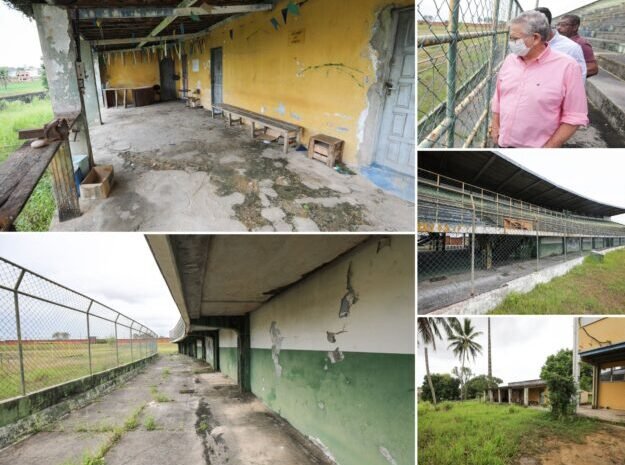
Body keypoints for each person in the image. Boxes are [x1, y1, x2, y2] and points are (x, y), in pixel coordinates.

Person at [490, 11, 588, 148]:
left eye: (514, 39)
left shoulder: (568, 67)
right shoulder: (510, 60)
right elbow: (499, 97)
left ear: (535, 38)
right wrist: (495, 126)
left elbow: (575, 116)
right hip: (503, 142)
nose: (511, 43)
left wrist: (549, 148)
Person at [535, 7, 587, 79]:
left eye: (563, 25)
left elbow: (579, 79)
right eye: (558, 24)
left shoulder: (572, 48)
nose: (559, 27)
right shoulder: (529, 44)